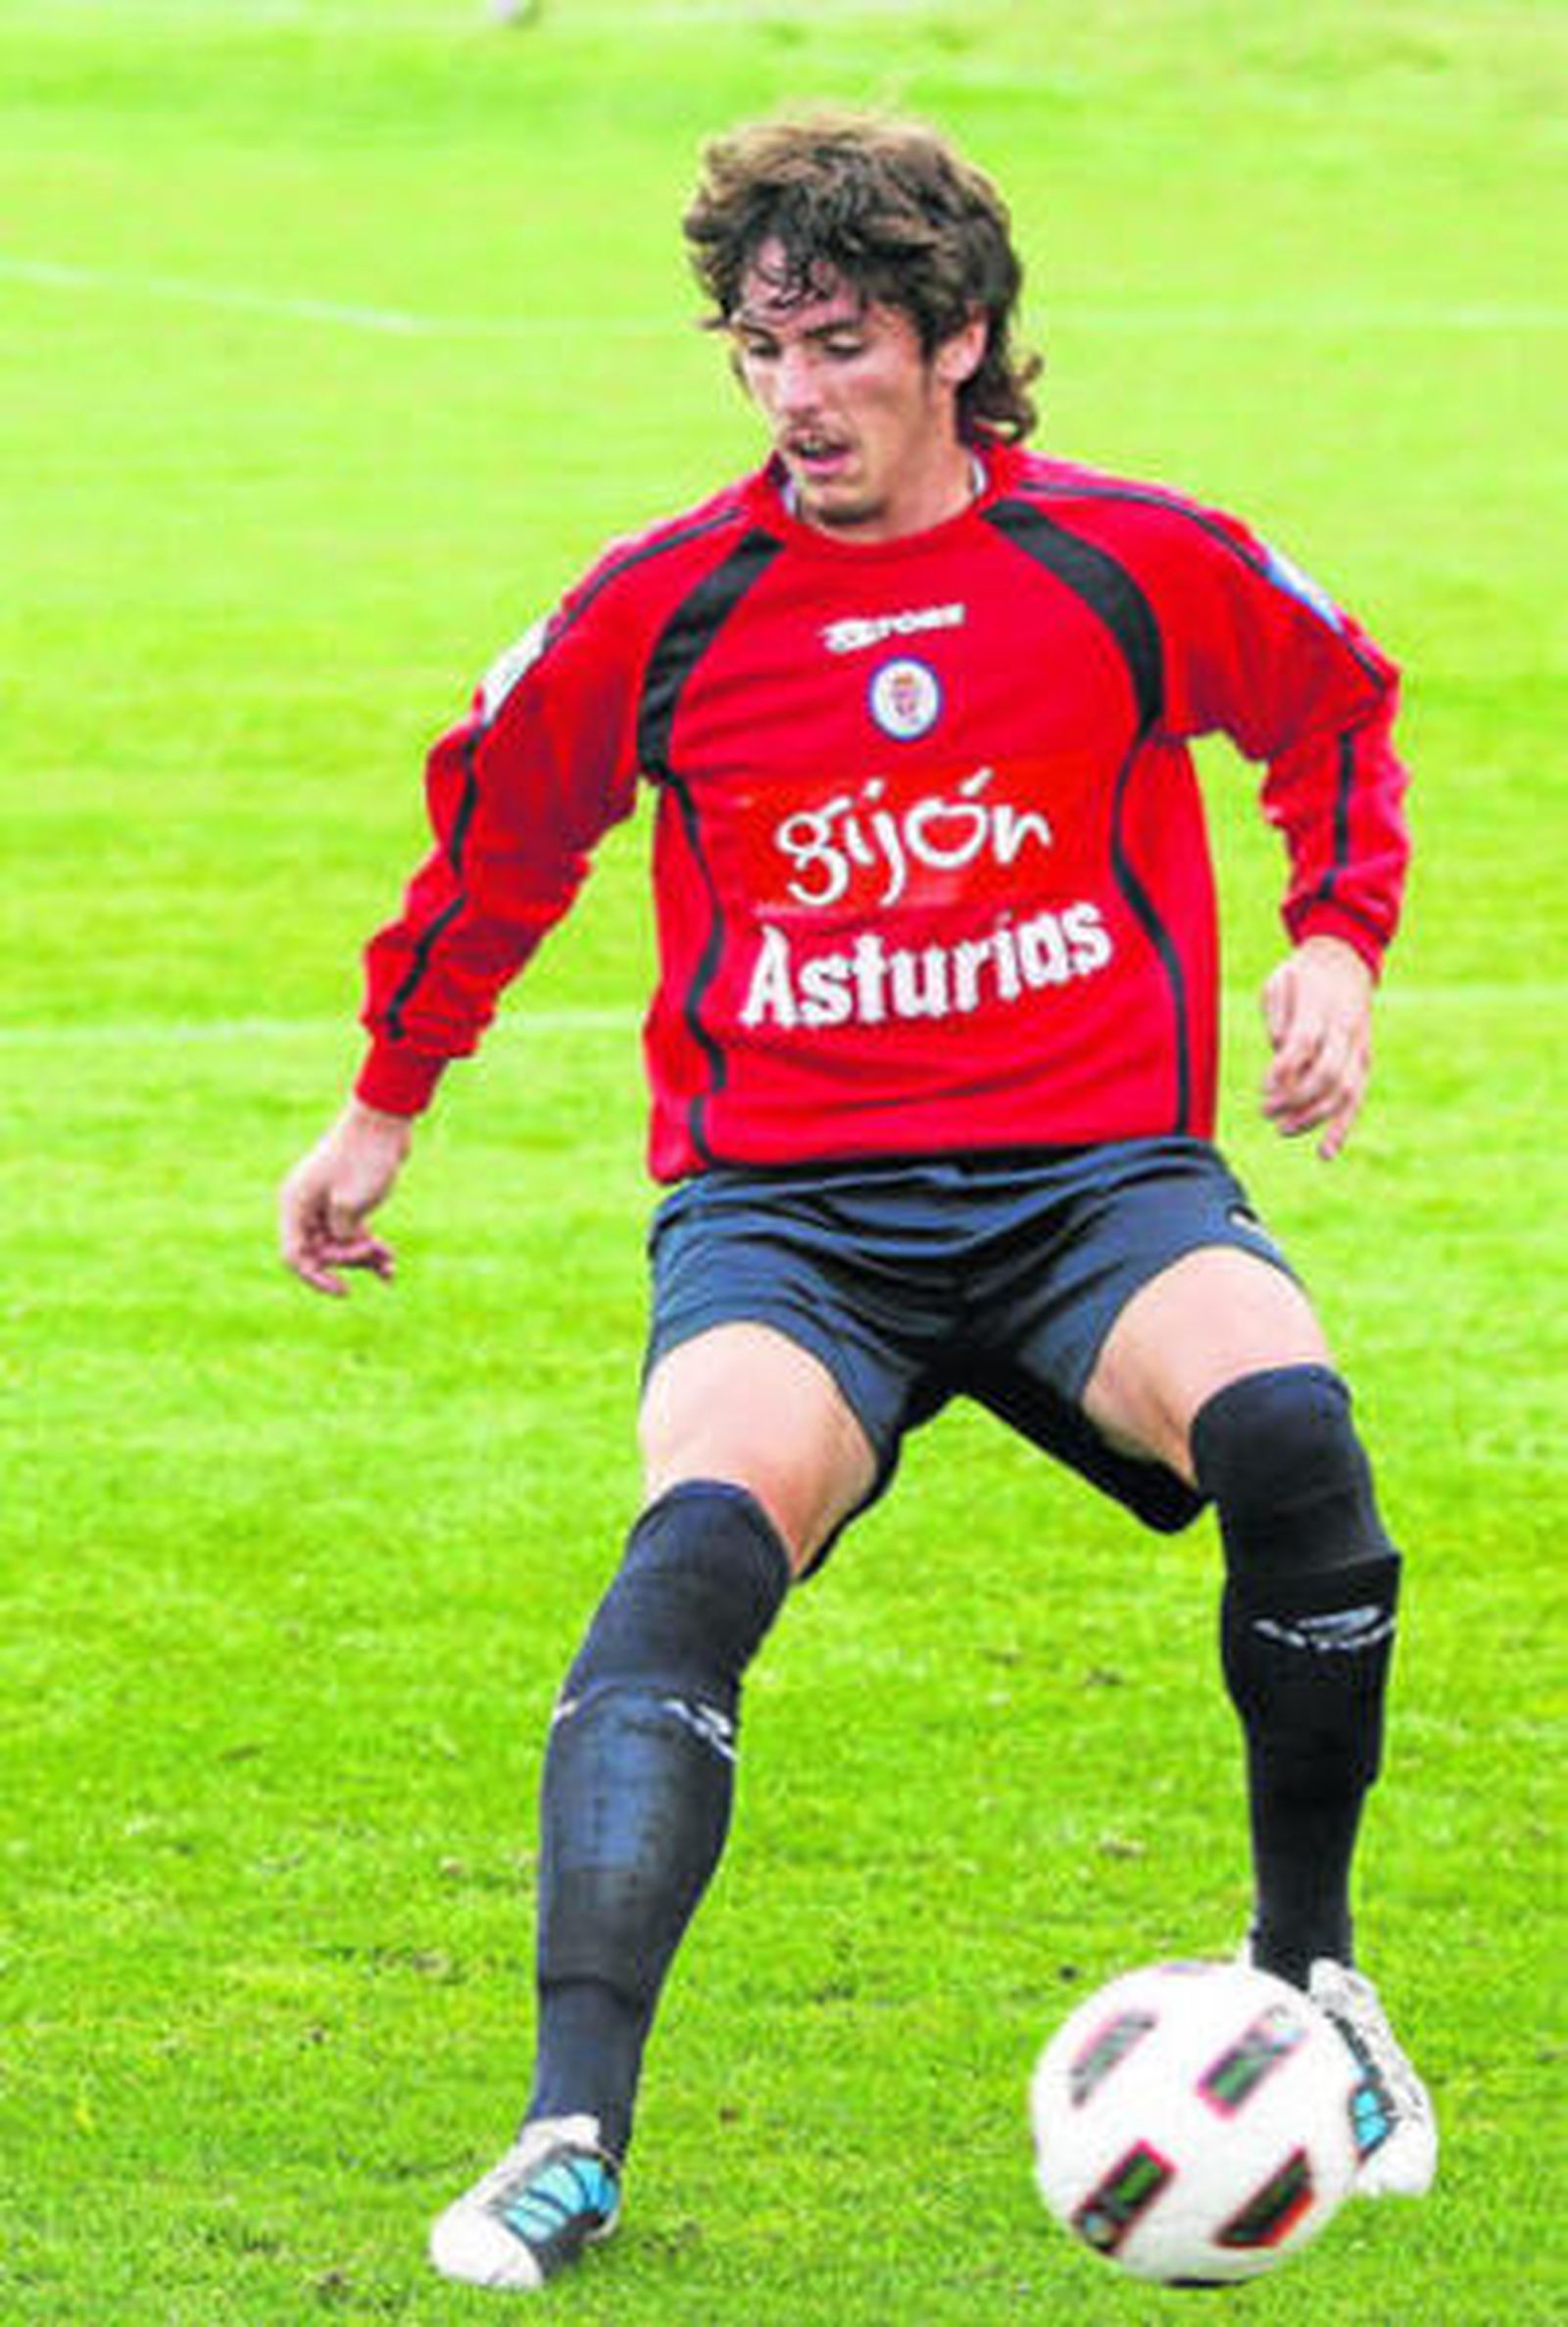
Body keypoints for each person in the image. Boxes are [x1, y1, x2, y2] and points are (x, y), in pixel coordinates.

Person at [278, 109, 1437, 2295]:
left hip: (1093, 1186)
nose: (793, 395)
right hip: (792, 1213)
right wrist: (383, 1103)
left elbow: (1335, 706)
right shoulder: (668, 602)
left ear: (955, 337)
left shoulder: (1126, 559)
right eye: (759, 347)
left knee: (1292, 1431)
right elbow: (498, 836)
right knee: (695, 1544)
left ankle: (1307, 1980)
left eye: (837, 346)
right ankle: (567, 2130)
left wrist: (1335, 937)